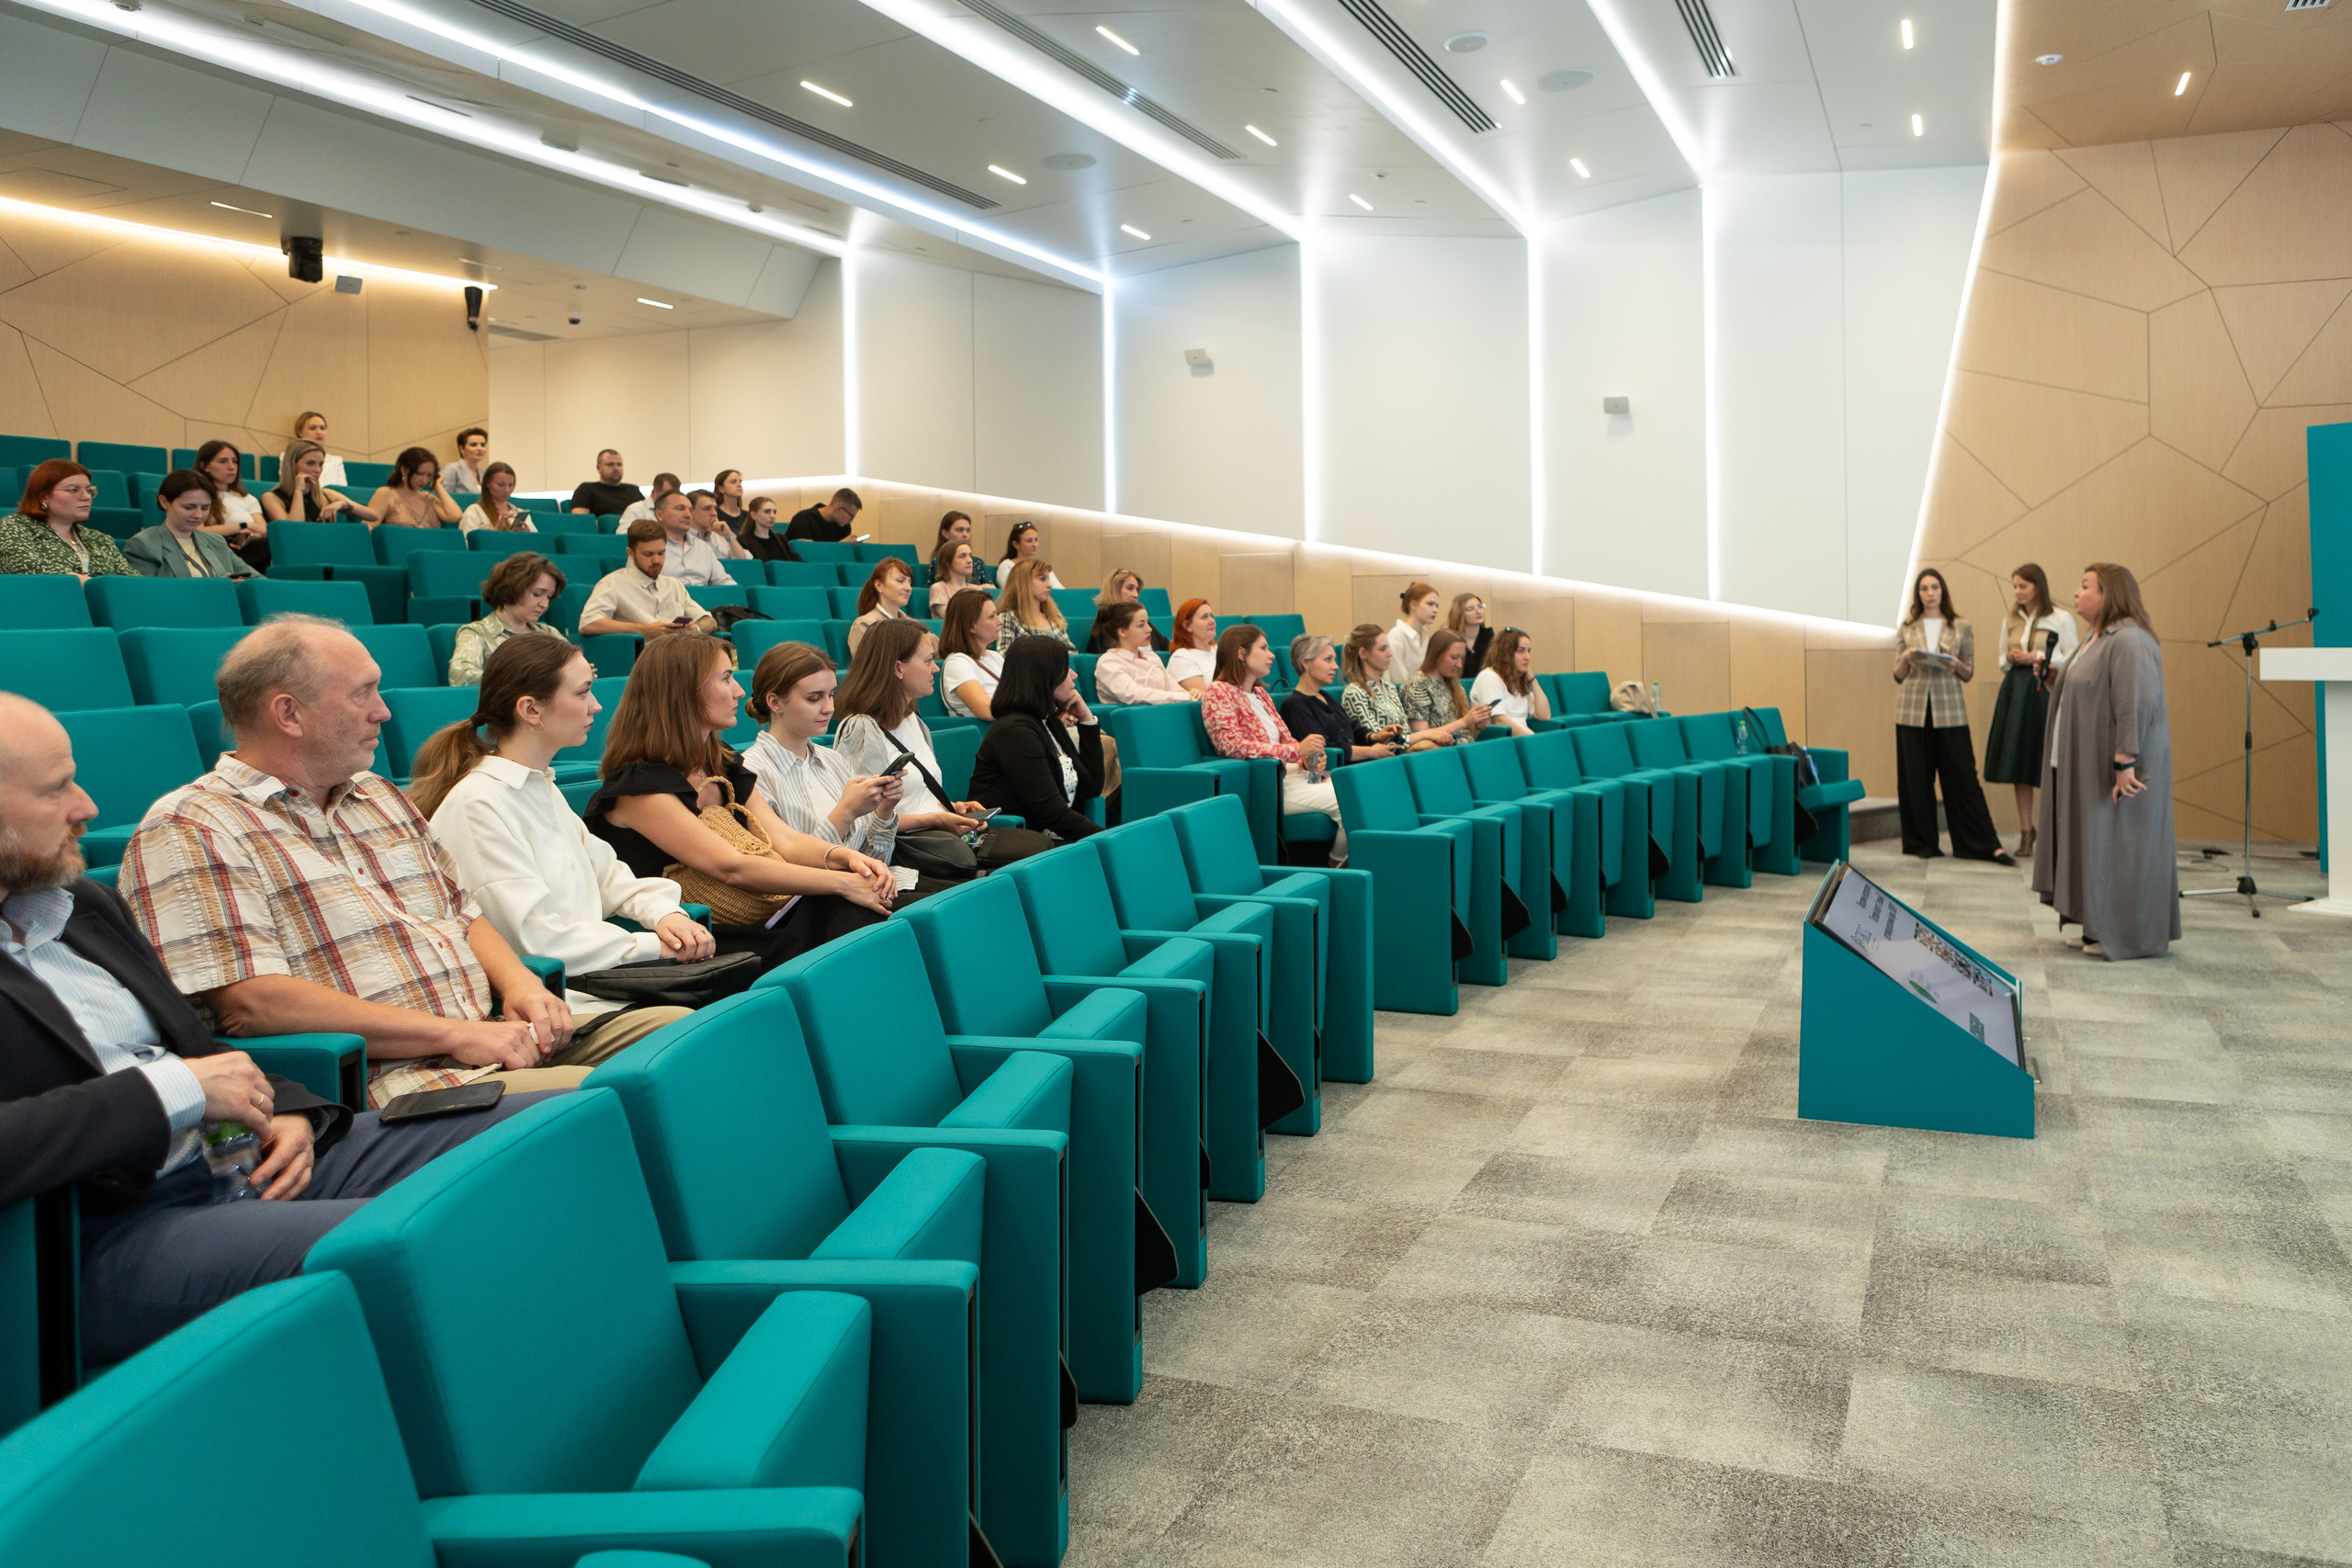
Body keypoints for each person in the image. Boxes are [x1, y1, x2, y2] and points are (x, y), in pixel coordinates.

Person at [0, 690, 548, 1366]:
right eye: (56, 789)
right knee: (444, 1237)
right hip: (103, 1229)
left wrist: (290, 1111)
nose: (88, 806)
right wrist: (175, 1091)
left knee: (557, 1130)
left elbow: (199, 1046)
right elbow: (190, 1068)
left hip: (249, 1157)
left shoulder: (77, 904)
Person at [121, 616, 598, 1109]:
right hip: (407, 1083)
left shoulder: (378, 794)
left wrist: (521, 983)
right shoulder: (193, 826)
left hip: (500, 1039)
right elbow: (251, 1004)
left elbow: (462, 912)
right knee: (621, 1098)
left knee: (673, 1037)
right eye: (362, 694)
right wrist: (454, 1035)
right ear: (289, 714)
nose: (384, 712)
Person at [413, 637, 708, 1040]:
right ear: (531, 709)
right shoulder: (478, 803)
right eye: (583, 692)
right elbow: (534, 939)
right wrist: (653, 946)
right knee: (695, 1032)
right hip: (561, 1008)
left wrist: (664, 914)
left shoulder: (540, 786)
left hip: (602, 986)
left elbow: (609, 876)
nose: (597, 705)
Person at [582, 632, 895, 969]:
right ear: (683, 691)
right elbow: (731, 867)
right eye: (726, 678)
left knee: (877, 910)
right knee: (852, 914)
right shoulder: (639, 786)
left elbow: (784, 841)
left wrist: (844, 858)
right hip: (701, 939)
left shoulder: (722, 761)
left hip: (757, 914)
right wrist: (841, 883)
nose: (740, 691)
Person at [2033, 564, 2177, 959]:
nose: (2076, 594)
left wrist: (2124, 761)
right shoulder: (2095, 639)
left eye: (2085, 587)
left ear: (2109, 593)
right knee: (2092, 845)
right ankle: (2096, 927)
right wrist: (2052, 680)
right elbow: (2090, 690)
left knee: (2116, 848)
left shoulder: (2129, 640)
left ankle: (2124, 935)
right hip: (2084, 763)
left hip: (2114, 767)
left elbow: (2135, 703)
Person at [831, 619, 994, 851]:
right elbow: (863, 821)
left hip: (936, 837)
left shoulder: (913, 720)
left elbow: (919, 797)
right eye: (928, 661)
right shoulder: (862, 729)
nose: (936, 668)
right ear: (898, 668)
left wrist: (952, 808)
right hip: (904, 848)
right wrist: (934, 819)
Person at [1894, 568, 2013, 864]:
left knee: (1962, 777)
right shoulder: (1908, 627)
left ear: (1943, 591)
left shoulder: (1960, 625)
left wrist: (1955, 664)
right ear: (1918, 594)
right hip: (1912, 709)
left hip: (1950, 709)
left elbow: (1969, 673)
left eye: (1935, 587)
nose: (1930, 593)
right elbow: (1897, 675)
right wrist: (1907, 657)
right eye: (1924, 588)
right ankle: (1922, 843)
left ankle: (1983, 844)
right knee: (1916, 779)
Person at [1201, 625, 1345, 861]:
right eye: (1264, 648)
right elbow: (1231, 746)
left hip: (1294, 775)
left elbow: (1287, 741)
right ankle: (1337, 865)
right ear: (1241, 653)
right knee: (1348, 798)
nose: (1272, 655)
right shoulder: (1219, 692)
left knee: (1357, 788)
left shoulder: (1261, 694)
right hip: (1270, 782)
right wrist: (1296, 750)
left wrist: (1309, 758)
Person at [1984, 563, 2078, 860]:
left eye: (2023, 586)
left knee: (2048, 759)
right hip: (2015, 690)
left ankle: (2055, 831)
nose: (2017, 592)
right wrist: (2013, 658)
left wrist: (2035, 656)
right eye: (2014, 586)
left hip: (2045, 689)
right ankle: (2027, 830)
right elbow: (2001, 658)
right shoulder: (2010, 619)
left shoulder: (2060, 618)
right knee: (2018, 761)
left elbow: (2072, 657)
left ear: (2038, 586)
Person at [970, 637, 1106, 840]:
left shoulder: (1048, 722)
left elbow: (1093, 786)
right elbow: (1053, 815)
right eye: (1066, 668)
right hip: (1017, 843)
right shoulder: (1015, 732)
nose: (1074, 675)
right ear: (1044, 676)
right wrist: (1114, 840)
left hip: (1051, 840)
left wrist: (1087, 721)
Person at [448, 552, 571, 685]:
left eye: (549, 597)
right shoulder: (477, 633)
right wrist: (525, 679)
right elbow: (461, 677)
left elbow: (574, 666)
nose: (544, 605)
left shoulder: (549, 633)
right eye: (537, 594)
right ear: (511, 588)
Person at [579, 519, 714, 639]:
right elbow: (588, 623)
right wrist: (643, 630)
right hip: (641, 658)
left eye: (661, 553)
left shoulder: (674, 585)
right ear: (631, 553)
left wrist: (695, 629)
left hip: (678, 654)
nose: (657, 560)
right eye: (648, 554)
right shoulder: (613, 583)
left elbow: (709, 620)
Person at [0, 460, 135, 580]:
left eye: (89, 490)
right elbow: (26, 567)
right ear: (43, 496)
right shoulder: (15, 526)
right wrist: (97, 587)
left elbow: (132, 582)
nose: (86, 496)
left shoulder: (100, 539)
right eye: (74, 490)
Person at [123, 470, 257, 581]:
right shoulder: (143, 544)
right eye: (189, 507)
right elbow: (146, 594)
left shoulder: (216, 542)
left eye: (205, 508)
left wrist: (242, 584)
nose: (198, 515)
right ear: (164, 502)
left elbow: (258, 579)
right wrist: (219, 587)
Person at [1283, 634, 1396, 765]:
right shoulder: (1295, 705)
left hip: (1354, 766)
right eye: (1328, 659)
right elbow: (1324, 749)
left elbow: (1351, 727)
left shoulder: (1325, 696)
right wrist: (1371, 751)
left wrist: (1375, 736)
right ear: (1306, 663)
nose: (1336, 666)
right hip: (1334, 773)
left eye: (1335, 660)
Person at [1338, 625, 1451, 750]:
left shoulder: (1389, 688)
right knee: (1430, 747)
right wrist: (1426, 734)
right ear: (1363, 653)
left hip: (1404, 750)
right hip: (1384, 757)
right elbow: (1380, 742)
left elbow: (1406, 732)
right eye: (1382, 649)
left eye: (1388, 648)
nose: (1389, 654)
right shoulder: (1354, 693)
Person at [1398, 630, 1495, 745]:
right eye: (1454, 657)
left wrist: (1477, 726)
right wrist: (1465, 721)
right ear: (1436, 655)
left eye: (1462, 658)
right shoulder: (1417, 686)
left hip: (1464, 749)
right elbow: (1422, 736)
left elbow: (1464, 734)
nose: (1459, 664)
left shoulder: (1455, 686)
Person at [1092, 603, 1194, 705]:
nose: (1149, 629)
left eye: (1147, 623)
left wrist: (1192, 695)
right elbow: (1135, 695)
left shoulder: (1153, 658)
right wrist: (1185, 697)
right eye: (1141, 625)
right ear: (1123, 631)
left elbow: (1176, 689)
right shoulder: (1109, 662)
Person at [196, 439, 268, 570]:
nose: (231, 466)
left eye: (234, 461)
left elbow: (263, 530)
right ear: (205, 466)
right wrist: (243, 527)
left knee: (269, 544)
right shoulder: (198, 495)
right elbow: (199, 531)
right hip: (215, 548)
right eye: (223, 461)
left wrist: (246, 536)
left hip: (247, 547)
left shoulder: (247, 498)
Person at [263, 440, 377, 525]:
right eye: (310, 463)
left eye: (321, 464)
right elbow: (293, 531)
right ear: (293, 465)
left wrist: (342, 504)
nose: (317, 470)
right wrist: (298, 491)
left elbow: (373, 515)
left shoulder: (326, 494)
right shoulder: (271, 497)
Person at [1468, 628, 1553, 738]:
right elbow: (1500, 721)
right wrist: (1533, 741)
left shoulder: (1517, 681)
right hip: (1503, 740)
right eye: (1521, 651)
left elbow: (1544, 715)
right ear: (1506, 653)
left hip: (1521, 739)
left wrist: (1532, 679)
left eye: (1529, 651)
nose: (1527, 657)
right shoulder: (1489, 677)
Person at [938, 587, 1004, 718]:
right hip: (984, 735)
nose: (1000, 621)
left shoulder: (995, 657)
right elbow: (988, 712)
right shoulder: (957, 663)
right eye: (992, 616)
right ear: (972, 626)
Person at [652, 490, 735, 589]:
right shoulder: (647, 546)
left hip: (704, 601)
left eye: (690, 510)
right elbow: (638, 584)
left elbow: (723, 581)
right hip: (667, 600)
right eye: (680, 508)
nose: (688, 515)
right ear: (659, 515)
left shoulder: (702, 547)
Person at [368, 447, 460, 529]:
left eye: (429, 475)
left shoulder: (428, 498)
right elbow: (369, 528)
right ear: (404, 470)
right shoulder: (386, 493)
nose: (424, 480)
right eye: (419, 474)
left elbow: (456, 516)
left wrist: (437, 486)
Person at [846, 557, 915, 658]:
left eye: (910, 582)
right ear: (879, 585)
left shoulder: (913, 625)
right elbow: (868, 666)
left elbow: (940, 650)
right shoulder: (864, 625)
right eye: (900, 581)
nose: (908, 588)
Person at [996, 558, 1071, 650]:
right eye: (1042, 579)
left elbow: (1070, 652)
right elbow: (1004, 654)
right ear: (1024, 582)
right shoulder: (1008, 616)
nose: (1049, 584)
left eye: (1048, 578)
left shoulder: (1053, 616)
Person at [1088, 570, 1170, 653]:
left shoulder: (1140, 618)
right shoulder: (1106, 622)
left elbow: (1165, 645)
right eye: (1130, 588)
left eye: (1137, 589)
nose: (1136, 595)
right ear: (1114, 591)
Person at [458, 462, 535, 533]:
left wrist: (527, 535)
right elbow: (467, 544)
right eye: (501, 485)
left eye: (510, 485)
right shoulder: (474, 512)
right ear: (487, 484)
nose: (507, 490)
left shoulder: (519, 513)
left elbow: (538, 542)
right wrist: (496, 532)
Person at [569, 450, 645, 518]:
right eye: (610, 464)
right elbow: (581, 521)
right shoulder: (586, 489)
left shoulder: (633, 490)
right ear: (598, 468)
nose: (616, 468)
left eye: (619, 464)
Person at [1390, 582, 1442, 682]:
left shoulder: (1425, 635)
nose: (1435, 610)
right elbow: (1398, 681)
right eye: (1430, 604)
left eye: (1437, 606)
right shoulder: (1396, 635)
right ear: (1413, 604)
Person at [1167, 598, 1218, 694]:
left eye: (1212, 616)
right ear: (1187, 626)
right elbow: (1202, 697)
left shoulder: (1220, 650)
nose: (1212, 621)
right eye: (1204, 617)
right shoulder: (1181, 657)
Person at [688, 488, 752, 562]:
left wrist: (729, 535)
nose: (714, 513)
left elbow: (743, 563)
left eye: (714, 508)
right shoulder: (680, 538)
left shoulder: (720, 538)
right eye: (707, 508)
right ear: (690, 512)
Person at [998, 521, 1065, 588]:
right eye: (1029, 541)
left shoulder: (1042, 567)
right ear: (1016, 544)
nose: (1034, 544)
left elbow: (1060, 591)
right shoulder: (1007, 566)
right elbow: (1011, 592)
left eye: (1036, 540)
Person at [736, 495, 801, 563]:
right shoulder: (743, 540)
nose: (773, 516)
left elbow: (797, 562)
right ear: (754, 515)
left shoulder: (781, 539)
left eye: (774, 512)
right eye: (767, 511)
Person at [291, 412, 347, 489]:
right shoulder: (288, 456)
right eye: (313, 428)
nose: (319, 432)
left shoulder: (336, 461)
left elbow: (342, 491)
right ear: (300, 432)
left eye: (322, 428)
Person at [786, 487, 862, 543]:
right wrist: (841, 545)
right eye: (851, 516)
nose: (851, 520)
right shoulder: (803, 520)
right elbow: (809, 554)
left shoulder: (844, 526)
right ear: (838, 508)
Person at [929, 538, 978, 615]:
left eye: (970, 555)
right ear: (948, 562)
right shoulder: (939, 588)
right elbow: (949, 616)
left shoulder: (977, 590)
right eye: (962, 556)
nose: (970, 560)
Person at [1446, 592, 1493, 672]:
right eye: (1471, 609)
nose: (1478, 611)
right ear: (1459, 614)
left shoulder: (1490, 637)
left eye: (1480, 606)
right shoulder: (1449, 640)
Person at [617, 473, 681, 531]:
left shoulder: (678, 511)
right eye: (667, 494)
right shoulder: (635, 509)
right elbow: (622, 534)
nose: (672, 498)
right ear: (654, 492)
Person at [446, 427, 491, 495]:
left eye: (483, 445)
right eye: (473, 445)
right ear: (461, 449)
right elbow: (443, 496)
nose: (480, 448)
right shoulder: (452, 469)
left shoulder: (484, 474)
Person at [710, 469, 748, 534]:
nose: (739, 485)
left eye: (740, 482)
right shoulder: (714, 514)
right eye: (733, 482)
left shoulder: (748, 516)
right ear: (721, 489)